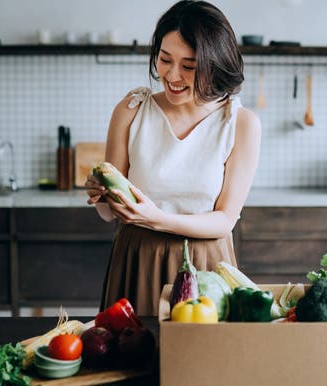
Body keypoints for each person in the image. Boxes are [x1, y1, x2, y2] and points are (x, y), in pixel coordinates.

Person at [85, 0, 261, 316]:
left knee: (205, 362)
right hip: (137, 258)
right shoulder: (131, 111)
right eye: (165, 60)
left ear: (215, 65)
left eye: (189, 66)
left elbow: (225, 219)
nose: (172, 75)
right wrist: (101, 195)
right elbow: (109, 213)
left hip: (206, 267)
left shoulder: (240, 123)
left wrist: (159, 219)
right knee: (131, 358)